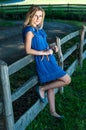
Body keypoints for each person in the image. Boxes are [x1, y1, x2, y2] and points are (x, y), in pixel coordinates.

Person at [22, 5, 71, 119]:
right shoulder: (29, 30)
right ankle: (41, 89)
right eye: (36, 16)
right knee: (66, 80)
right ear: (30, 16)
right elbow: (28, 49)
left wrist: (52, 47)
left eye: (40, 16)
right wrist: (44, 53)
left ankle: (52, 111)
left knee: (51, 85)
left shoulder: (39, 30)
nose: (38, 18)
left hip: (50, 60)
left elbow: (42, 45)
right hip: (43, 62)